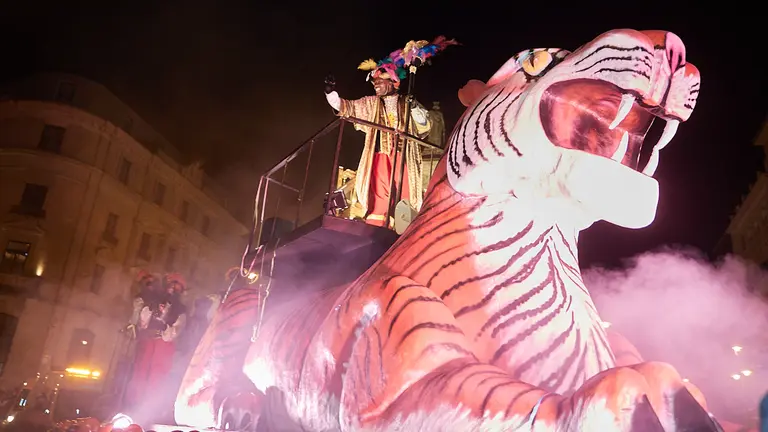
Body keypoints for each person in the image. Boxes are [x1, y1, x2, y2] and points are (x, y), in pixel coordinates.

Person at [324, 56, 432, 227]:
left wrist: (414, 107)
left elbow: (424, 126)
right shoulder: (370, 103)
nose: (375, 85)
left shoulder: (407, 102)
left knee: (405, 192)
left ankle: (405, 225)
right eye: (374, 82)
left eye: (379, 81)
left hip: (403, 157)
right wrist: (331, 94)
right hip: (380, 155)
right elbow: (348, 107)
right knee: (379, 194)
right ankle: (377, 224)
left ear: (392, 82)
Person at [124, 271, 187, 423]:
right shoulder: (153, 299)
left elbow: (177, 329)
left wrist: (165, 332)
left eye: (176, 285)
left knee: (157, 376)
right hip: (147, 341)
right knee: (139, 374)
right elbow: (141, 321)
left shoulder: (181, 309)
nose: (172, 287)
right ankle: (133, 407)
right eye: (170, 283)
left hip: (163, 345)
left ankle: (150, 412)